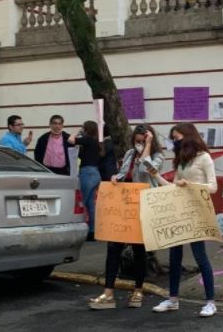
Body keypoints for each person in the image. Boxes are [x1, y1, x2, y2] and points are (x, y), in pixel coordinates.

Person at [88, 124, 165, 310]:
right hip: (123, 207)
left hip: (142, 207)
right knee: (113, 248)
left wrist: (147, 146)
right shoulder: (130, 154)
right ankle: (108, 292)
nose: (138, 144)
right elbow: (123, 174)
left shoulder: (157, 156)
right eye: (137, 141)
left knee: (139, 250)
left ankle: (138, 290)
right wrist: (116, 177)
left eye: (142, 140)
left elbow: (149, 170)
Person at [146, 122, 218, 318]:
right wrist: (157, 175)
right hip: (179, 211)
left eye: (176, 138)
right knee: (174, 256)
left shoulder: (204, 158)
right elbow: (175, 185)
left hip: (197, 213)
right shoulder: (182, 161)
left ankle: (211, 302)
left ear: (187, 137)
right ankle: (173, 299)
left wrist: (191, 184)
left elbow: (213, 187)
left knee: (200, 256)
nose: (174, 142)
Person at [68, 121, 102, 241]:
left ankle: (78, 230)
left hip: (87, 173)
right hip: (96, 173)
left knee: (81, 202)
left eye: (83, 127)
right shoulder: (96, 142)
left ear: (86, 129)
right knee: (90, 205)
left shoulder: (87, 140)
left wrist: (77, 131)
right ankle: (92, 232)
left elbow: (70, 140)